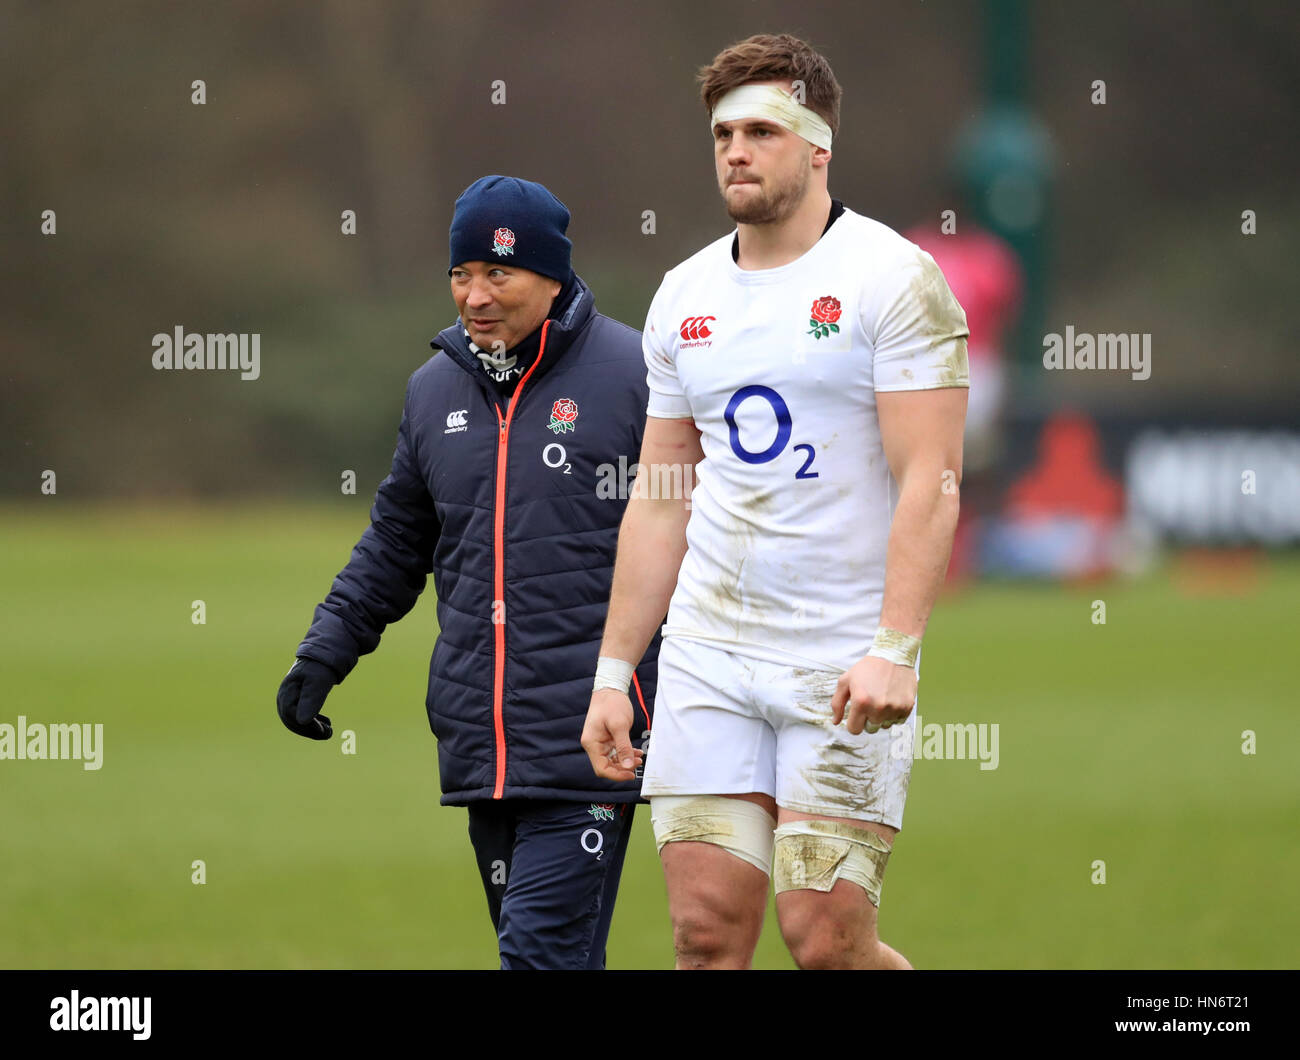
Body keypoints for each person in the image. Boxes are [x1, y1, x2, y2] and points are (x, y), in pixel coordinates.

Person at [580, 34, 969, 970]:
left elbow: (934, 478)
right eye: (723, 134)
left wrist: (895, 650)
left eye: (761, 130)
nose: (736, 152)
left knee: (825, 943)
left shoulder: (895, 280)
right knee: (705, 937)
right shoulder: (684, 296)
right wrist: (614, 669)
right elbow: (663, 496)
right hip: (711, 657)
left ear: (817, 143)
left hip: (840, 664)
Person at [277, 175, 658, 970]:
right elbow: (393, 545)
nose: (474, 296)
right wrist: (325, 652)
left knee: (536, 958)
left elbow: (696, 530)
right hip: (482, 752)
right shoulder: (431, 392)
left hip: (593, 745)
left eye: (498, 273)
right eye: (461, 274)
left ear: (551, 276)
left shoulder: (638, 375)